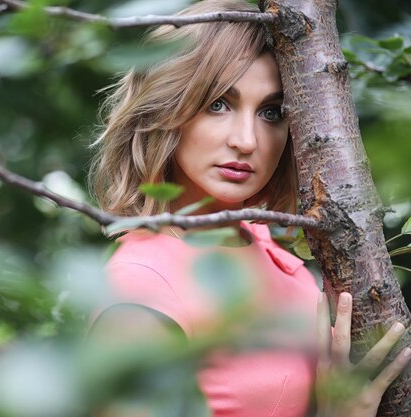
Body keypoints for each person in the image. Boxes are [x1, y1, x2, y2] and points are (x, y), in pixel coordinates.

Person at [87, 0, 411, 416]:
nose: (247, 140)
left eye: (271, 112)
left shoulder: (265, 245)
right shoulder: (140, 288)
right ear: (167, 107)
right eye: (219, 104)